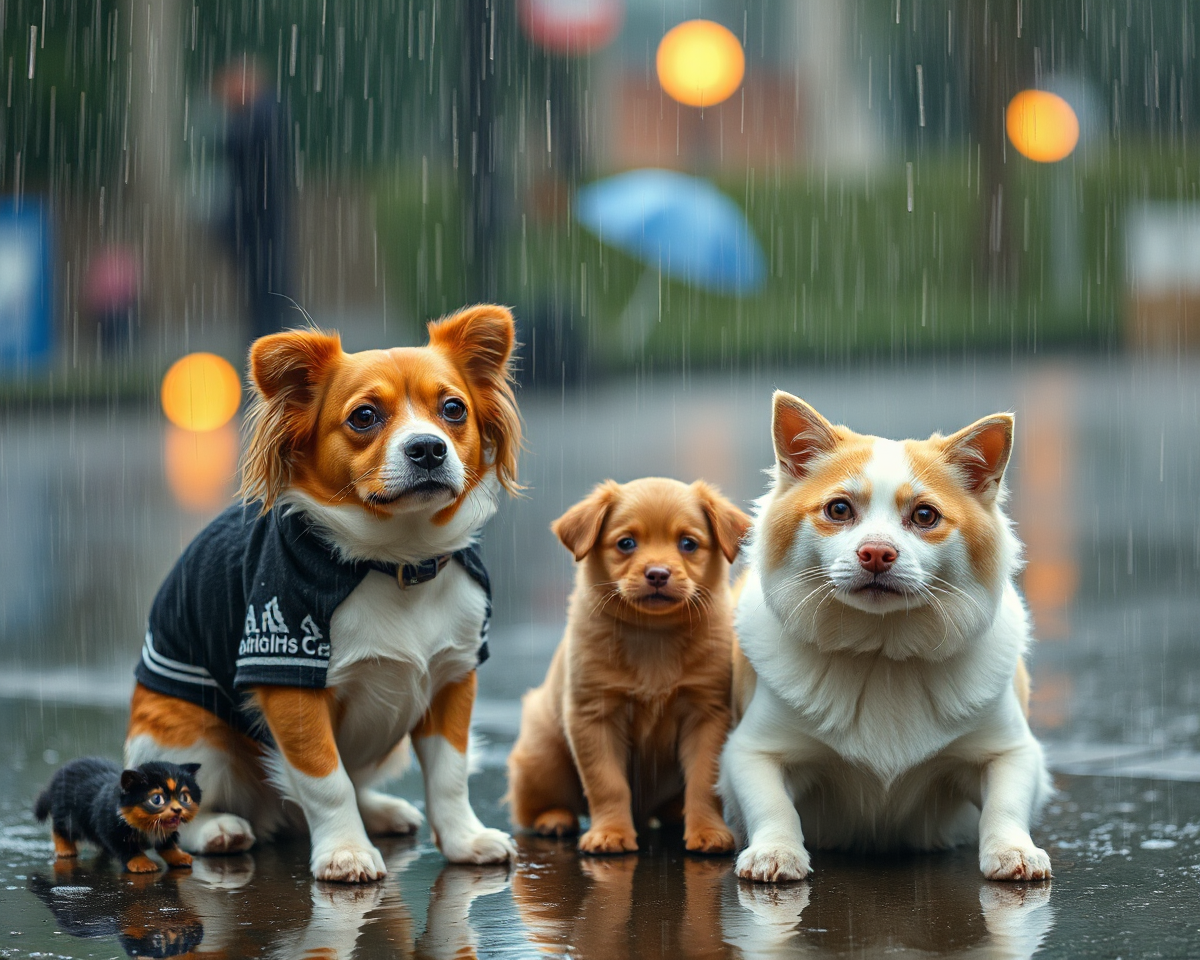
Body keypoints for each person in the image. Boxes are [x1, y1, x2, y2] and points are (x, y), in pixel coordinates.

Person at [214, 60, 294, 342]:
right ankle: (269, 344)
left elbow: (247, 162)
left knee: (267, 292)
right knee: (266, 291)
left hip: (259, 222)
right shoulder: (260, 114)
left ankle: (269, 345)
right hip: (258, 223)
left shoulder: (259, 115)